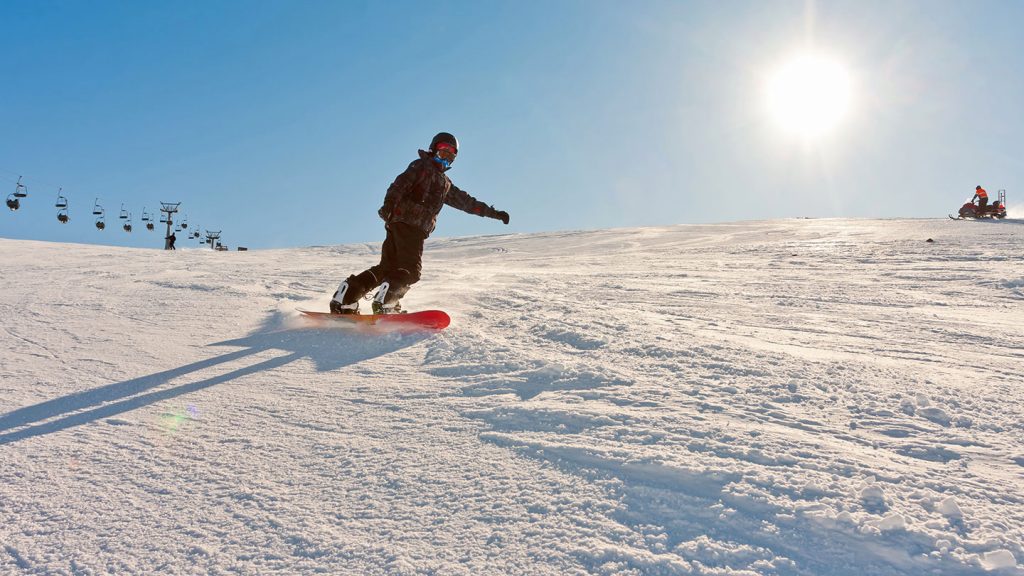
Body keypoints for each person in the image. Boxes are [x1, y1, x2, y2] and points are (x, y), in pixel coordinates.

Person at [330, 132, 509, 315]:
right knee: (411, 270)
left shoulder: (445, 183)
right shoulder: (421, 167)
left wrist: (494, 213)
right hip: (411, 225)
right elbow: (399, 185)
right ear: (432, 150)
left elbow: (468, 203)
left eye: (450, 155)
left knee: (387, 268)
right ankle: (386, 302)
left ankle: (346, 297)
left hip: (398, 224)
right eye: (442, 152)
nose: (445, 158)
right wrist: (389, 204)